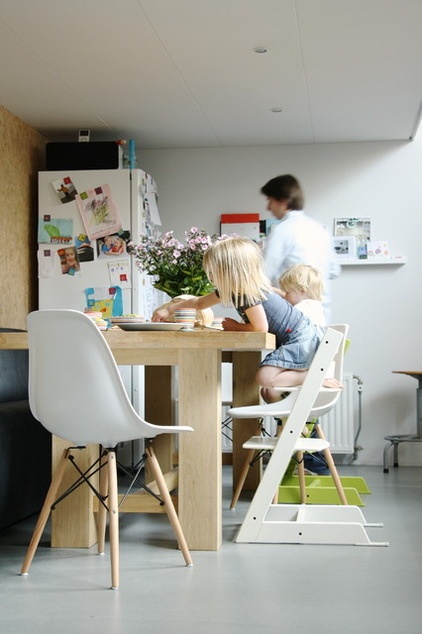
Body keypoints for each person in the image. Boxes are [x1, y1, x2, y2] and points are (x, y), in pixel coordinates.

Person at [152, 236, 327, 403]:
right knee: (268, 388)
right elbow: (199, 302)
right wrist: (169, 310)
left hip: (301, 338)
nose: (210, 277)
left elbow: (260, 328)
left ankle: (315, 375)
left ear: (230, 271)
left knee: (265, 378)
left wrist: (235, 326)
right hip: (301, 336)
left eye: (213, 272)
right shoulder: (244, 289)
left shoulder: (247, 294)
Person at [260, 174, 340, 325]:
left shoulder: (282, 231)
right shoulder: (318, 229)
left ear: (283, 201)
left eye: (270, 200)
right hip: (321, 315)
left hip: (295, 318)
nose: (268, 207)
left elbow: (263, 274)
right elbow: (334, 270)